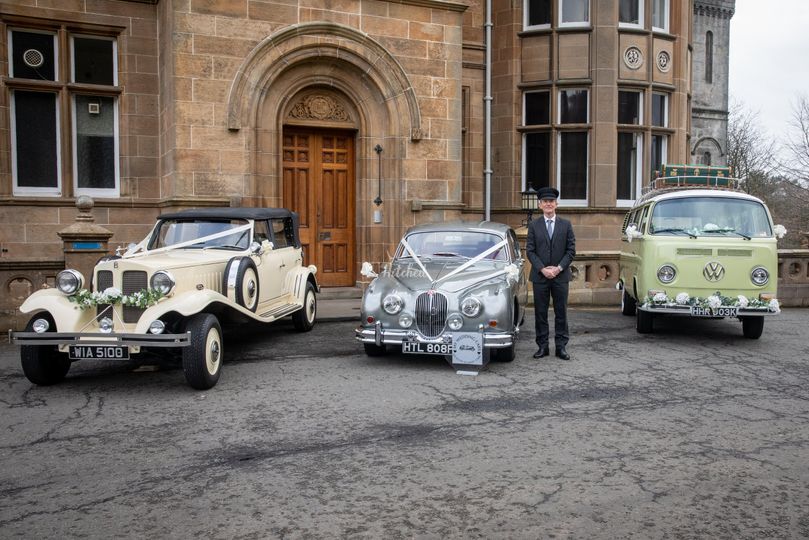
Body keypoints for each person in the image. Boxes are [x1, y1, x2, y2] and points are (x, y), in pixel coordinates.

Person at [526, 187, 576, 360]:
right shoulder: (533, 225)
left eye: (551, 201)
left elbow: (571, 251)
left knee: (561, 312)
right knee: (541, 313)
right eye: (545, 201)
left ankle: (561, 347)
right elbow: (530, 251)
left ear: (556, 204)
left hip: (560, 276)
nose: (548, 204)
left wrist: (558, 268)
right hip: (540, 277)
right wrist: (542, 269)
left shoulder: (566, 224)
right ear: (540, 205)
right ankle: (543, 346)